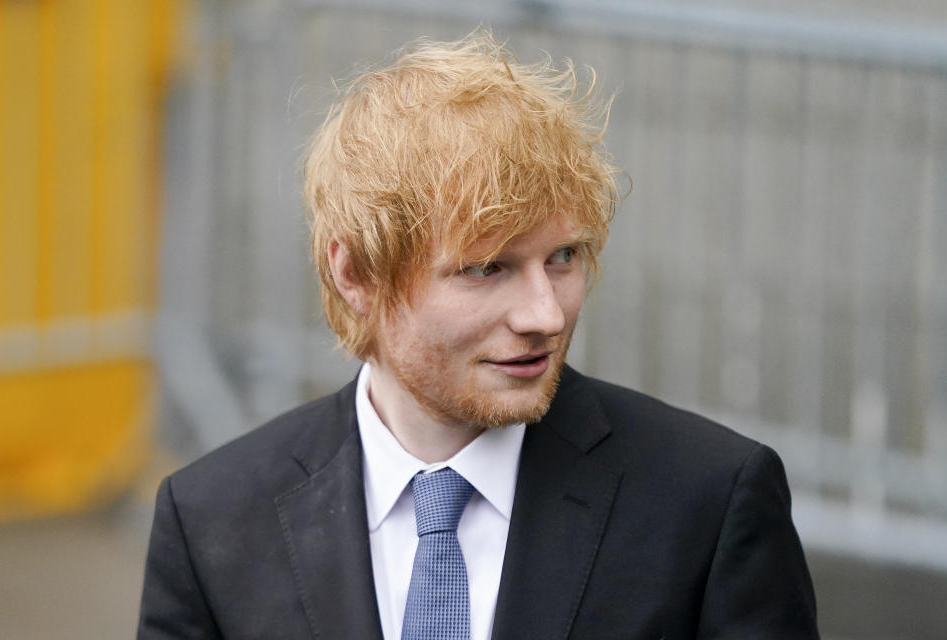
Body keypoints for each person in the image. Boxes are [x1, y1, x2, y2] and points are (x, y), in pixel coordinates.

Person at [138, 31, 818, 639]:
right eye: (486, 268)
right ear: (356, 273)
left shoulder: (707, 500)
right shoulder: (212, 519)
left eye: (564, 258)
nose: (546, 315)